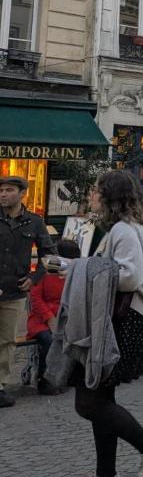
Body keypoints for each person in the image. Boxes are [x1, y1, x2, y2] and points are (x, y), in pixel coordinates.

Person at [65, 170, 143, 477]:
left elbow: (129, 277)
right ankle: (106, 472)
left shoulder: (125, 231)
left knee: (88, 403)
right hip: (119, 321)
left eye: (96, 190)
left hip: (123, 322)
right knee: (102, 400)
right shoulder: (123, 228)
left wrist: (84, 269)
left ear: (109, 196)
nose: (91, 195)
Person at [0, 174, 55, 408]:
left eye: (9, 190)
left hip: (14, 291)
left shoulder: (34, 222)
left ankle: (0, 386)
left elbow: (48, 255)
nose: (3, 194)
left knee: (7, 341)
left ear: (22, 194)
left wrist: (34, 278)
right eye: (1, 190)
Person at [28, 238, 80, 396]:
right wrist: (50, 318)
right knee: (49, 340)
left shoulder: (74, 273)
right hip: (42, 319)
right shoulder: (43, 272)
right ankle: (44, 379)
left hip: (65, 317)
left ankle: (66, 376)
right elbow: (36, 299)